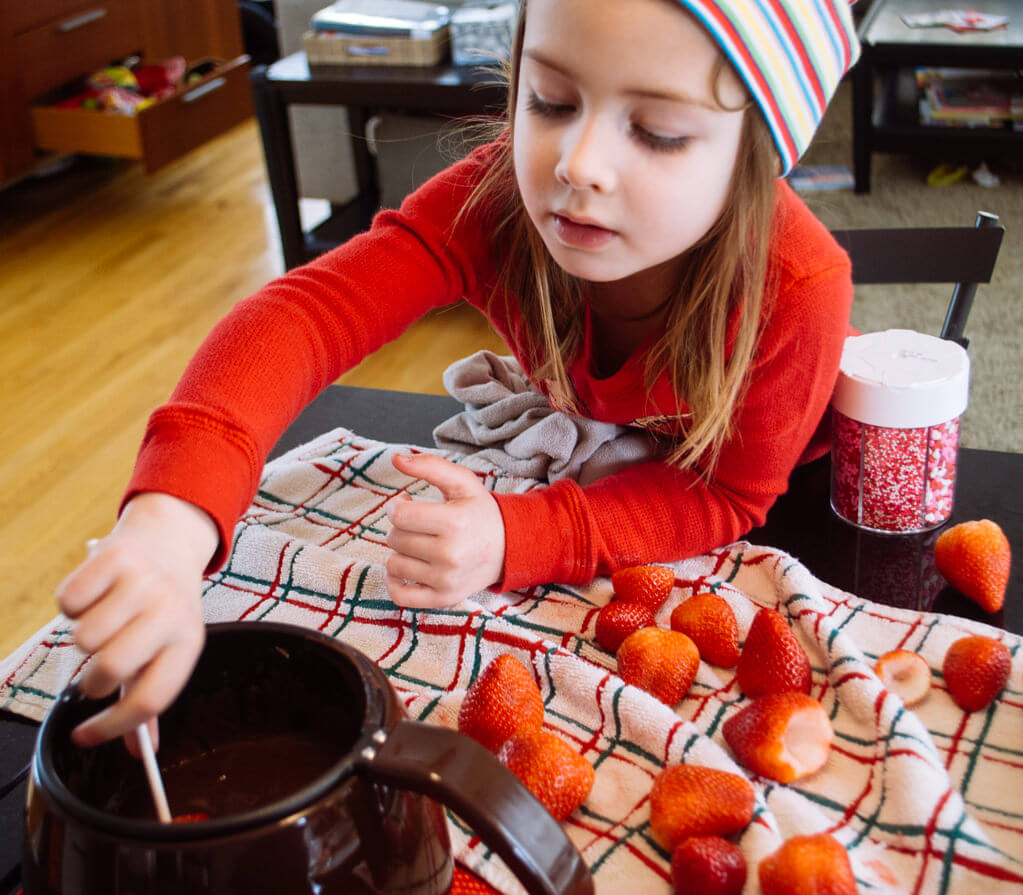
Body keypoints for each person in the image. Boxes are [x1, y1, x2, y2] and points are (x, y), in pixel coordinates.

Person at [57, 0, 860, 748]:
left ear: (755, 159)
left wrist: (519, 533)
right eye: (549, 100)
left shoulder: (798, 289)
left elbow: (727, 492)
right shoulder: (495, 198)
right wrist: (169, 524)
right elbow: (300, 317)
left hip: (789, 504)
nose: (578, 164)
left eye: (655, 131)